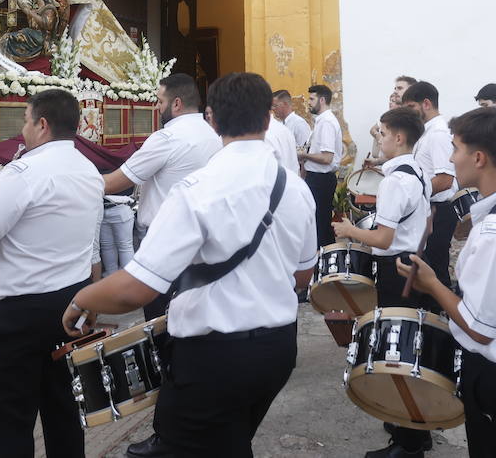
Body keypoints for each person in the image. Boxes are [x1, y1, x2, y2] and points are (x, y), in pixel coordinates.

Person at [67, 72, 317, 457]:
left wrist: (83, 297)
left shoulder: (197, 190)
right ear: (268, 120)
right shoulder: (295, 188)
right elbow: (302, 274)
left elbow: (138, 287)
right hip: (278, 348)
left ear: (212, 119)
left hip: (214, 357)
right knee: (230, 441)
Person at [398, 107, 496, 458]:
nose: (452, 158)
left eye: (455, 149)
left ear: (479, 157)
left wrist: (431, 284)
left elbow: (479, 327)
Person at [0, 89, 103, 458]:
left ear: (42, 124)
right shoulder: (88, 169)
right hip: (71, 305)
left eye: (25, 120)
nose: (22, 129)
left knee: (8, 424)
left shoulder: (23, 172)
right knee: (65, 415)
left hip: (19, 317)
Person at [336, 105, 432, 457]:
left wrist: (349, 231)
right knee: (412, 348)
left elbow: (383, 239)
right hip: (412, 265)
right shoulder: (417, 171)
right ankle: (416, 431)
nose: (379, 139)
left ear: (399, 137)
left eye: (382, 133)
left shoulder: (394, 181)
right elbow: (428, 224)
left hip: (395, 270)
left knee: (399, 354)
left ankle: (407, 444)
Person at [104, 73, 220, 319]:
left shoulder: (166, 138)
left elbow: (115, 183)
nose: (157, 107)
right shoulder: (211, 134)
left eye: (160, 101)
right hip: (203, 238)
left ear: (176, 103)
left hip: (165, 240)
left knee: (160, 320)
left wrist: (71, 181)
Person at [404, 81, 458, 289]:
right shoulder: (427, 131)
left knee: (435, 267)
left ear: (426, 103)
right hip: (429, 207)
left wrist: (413, 196)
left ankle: (440, 315)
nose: (409, 113)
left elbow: (445, 179)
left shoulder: (438, 134)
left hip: (439, 210)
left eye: (411, 107)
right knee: (427, 264)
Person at [300, 83, 343, 248]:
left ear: (322, 100)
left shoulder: (326, 123)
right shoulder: (321, 121)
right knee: (320, 225)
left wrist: (304, 155)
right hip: (317, 178)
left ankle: (323, 264)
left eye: (312, 99)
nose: (308, 102)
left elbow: (327, 158)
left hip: (321, 179)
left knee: (319, 225)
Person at [271, 89, 311, 157]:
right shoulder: (279, 124)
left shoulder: (299, 124)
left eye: (275, 105)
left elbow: (305, 151)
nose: (272, 108)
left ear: (285, 104)